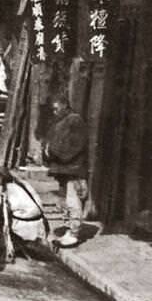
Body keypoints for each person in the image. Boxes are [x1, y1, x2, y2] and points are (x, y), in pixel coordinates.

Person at [43, 96, 89, 248]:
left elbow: (76, 145)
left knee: (73, 200)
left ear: (65, 106)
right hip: (64, 168)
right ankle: (70, 228)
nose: (55, 112)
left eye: (57, 108)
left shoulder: (75, 120)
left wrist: (54, 151)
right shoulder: (60, 121)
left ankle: (74, 232)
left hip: (73, 168)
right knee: (67, 201)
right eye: (53, 109)